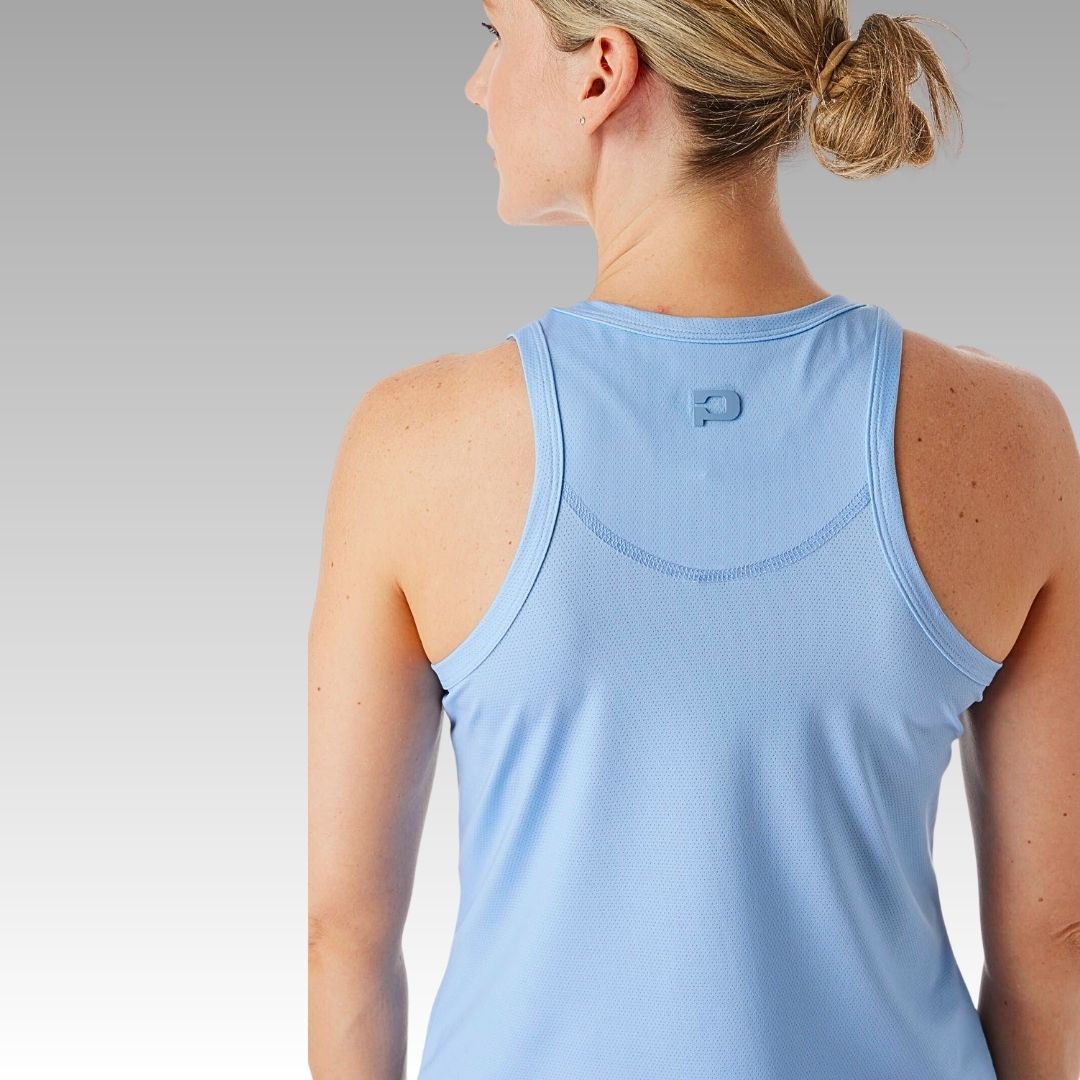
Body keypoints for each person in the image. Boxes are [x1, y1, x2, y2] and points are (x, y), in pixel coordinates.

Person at [307, 1, 1080, 1077]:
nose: (478, 85)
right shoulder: (1009, 437)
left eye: (493, 36)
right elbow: (1054, 947)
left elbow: (343, 936)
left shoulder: (416, 444)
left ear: (602, 72)